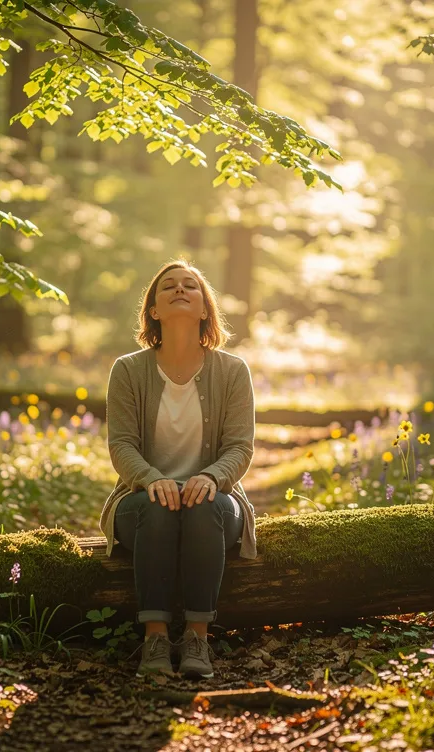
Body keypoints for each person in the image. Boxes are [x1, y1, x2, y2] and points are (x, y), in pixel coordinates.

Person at [99, 260, 258, 678]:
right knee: (158, 507)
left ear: (205, 309)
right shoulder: (128, 370)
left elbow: (240, 448)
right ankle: (154, 639)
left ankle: (197, 640)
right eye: (168, 286)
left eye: (191, 285)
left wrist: (210, 478)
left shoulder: (233, 371)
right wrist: (153, 480)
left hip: (215, 502)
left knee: (204, 506)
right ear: (154, 309)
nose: (180, 289)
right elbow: (122, 446)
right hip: (142, 502)